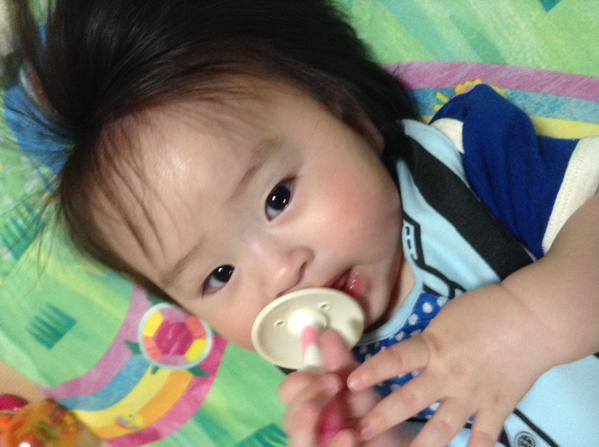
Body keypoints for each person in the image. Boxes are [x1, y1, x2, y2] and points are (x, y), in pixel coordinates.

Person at [8, 0, 599, 446]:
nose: (280, 273)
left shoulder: (461, 167)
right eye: (219, 275)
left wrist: (530, 319)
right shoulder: (329, 372)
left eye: (278, 198)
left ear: (352, 119)